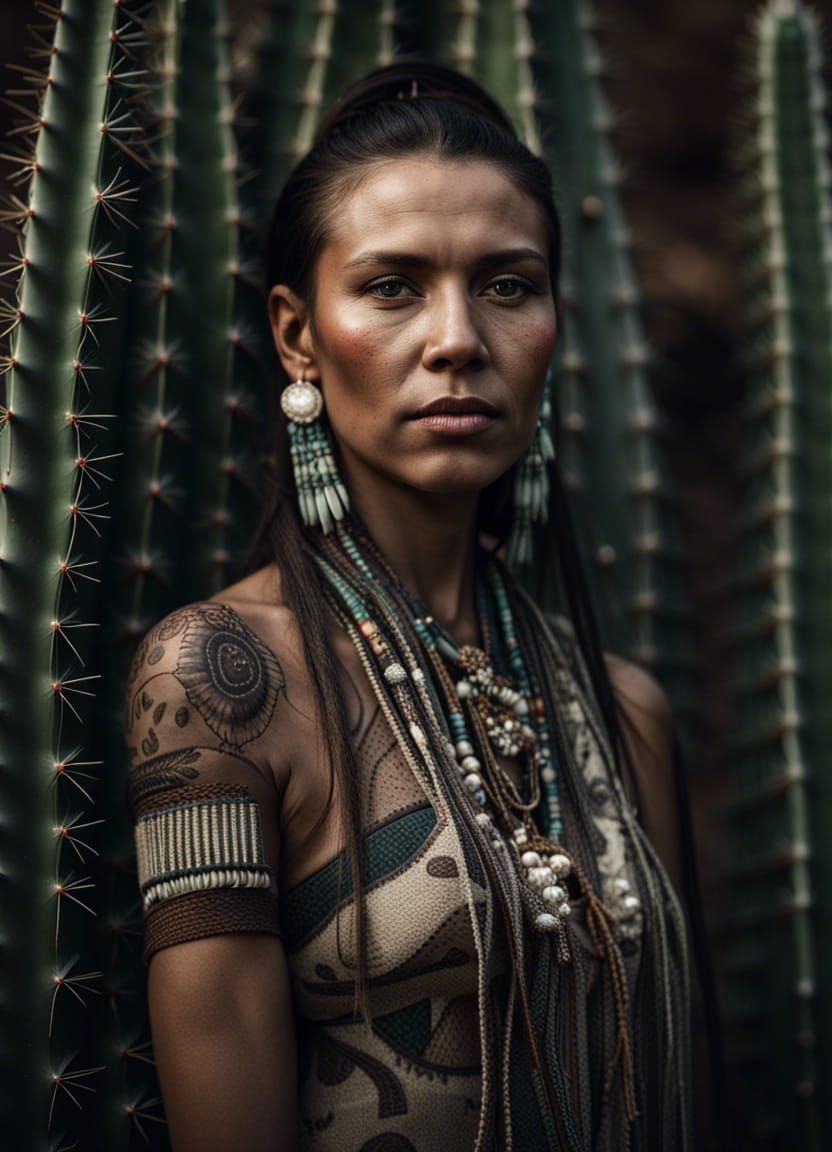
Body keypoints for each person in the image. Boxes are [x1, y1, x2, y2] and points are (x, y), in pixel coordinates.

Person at [125, 61, 693, 1151]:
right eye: (392, 286)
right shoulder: (217, 683)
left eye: (508, 284)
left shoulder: (624, 715)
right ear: (298, 337)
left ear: (555, 330)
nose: (455, 339)